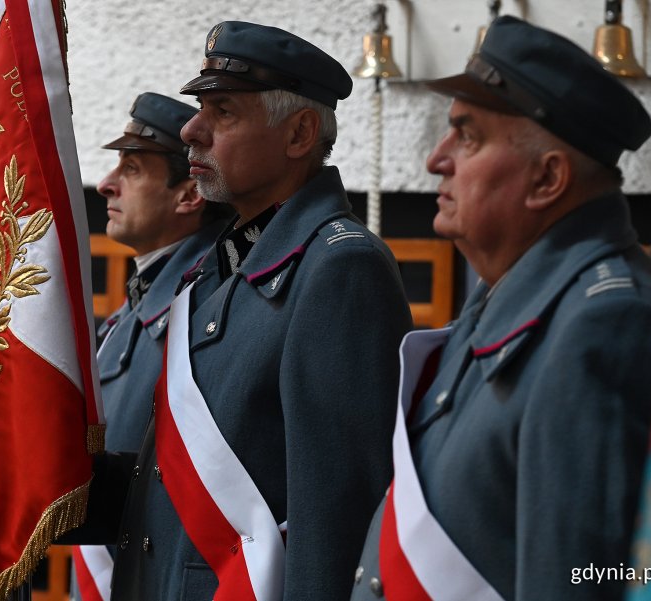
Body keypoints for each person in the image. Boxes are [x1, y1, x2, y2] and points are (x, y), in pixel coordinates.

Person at [97, 21, 412, 601]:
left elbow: (337, 516)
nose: (192, 129)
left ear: (299, 133)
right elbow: (175, 489)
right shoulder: (216, 269)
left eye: (223, 112)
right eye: (201, 109)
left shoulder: (339, 269)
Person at [350, 16, 651, 601]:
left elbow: (587, 580)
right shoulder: (506, 293)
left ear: (547, 179)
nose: (437, 159)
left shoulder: (604, 326)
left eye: (467, 136)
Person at [70, 92, 230, 601]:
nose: (105, 184)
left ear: (189, 195)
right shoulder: (134, 310)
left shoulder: (204, 305)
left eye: (133, 169)